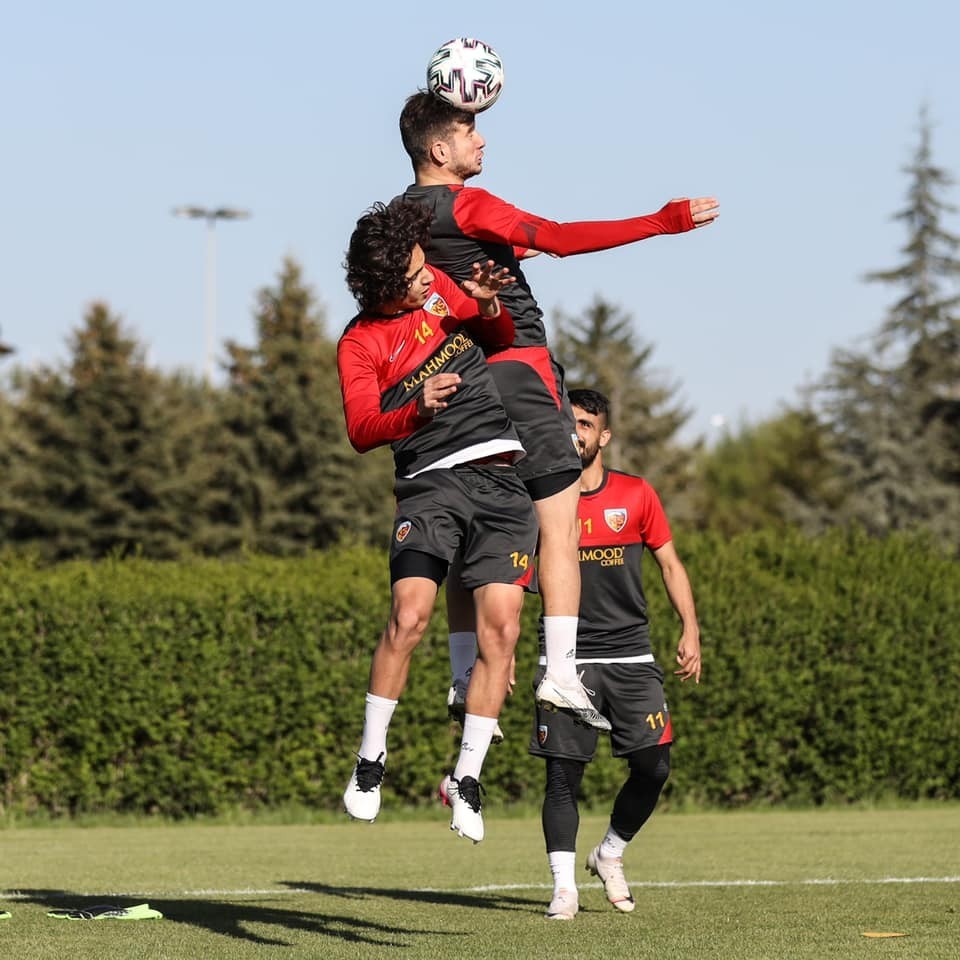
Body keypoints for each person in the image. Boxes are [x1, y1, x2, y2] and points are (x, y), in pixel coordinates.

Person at [397, 91, 716, 733]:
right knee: (560, 526)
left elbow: (442, 276)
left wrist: (508, 256)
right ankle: (563, 673)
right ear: (439, 149)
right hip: (520, 368)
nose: (481, 140)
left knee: (472, 528)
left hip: (459, 378)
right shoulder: (471, 203)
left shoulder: (403, 216)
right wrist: (663, 221)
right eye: (468, 131)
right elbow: (562, 239)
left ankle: (463, 672)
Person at [337, 198, 539, 844]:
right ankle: (371, 759)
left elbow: (498, 337)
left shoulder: (440, 290)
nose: (429, 278)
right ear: (382, 288)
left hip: (501, 479)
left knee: (502, 630)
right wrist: (417, 408)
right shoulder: (358, 343)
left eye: (427, 266)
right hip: (430, 483)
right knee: (410, 616)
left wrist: (486, 305)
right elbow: (362, 430)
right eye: (415, 275)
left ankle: (467, 778)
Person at [529, 388, 702, 920]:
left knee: (654, 766)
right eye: (569, 422)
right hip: (566, 658)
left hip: (631, 655)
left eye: (585, 424)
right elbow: (510, 576)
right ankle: (563, 889)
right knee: (563, 776)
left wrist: (691, 628)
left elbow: (670, 564)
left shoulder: (636, 493)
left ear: (603, 436)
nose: (575, 431)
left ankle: (610, 853)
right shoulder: (540, 500)